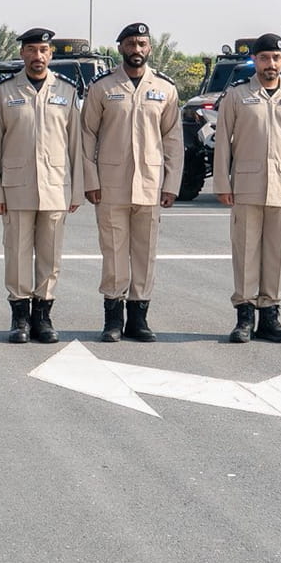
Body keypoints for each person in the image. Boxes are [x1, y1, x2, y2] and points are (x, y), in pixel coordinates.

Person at [80, 22, 183, 343]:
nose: (136, 50)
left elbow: (173, 139)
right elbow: (87, 135)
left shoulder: (165, 88)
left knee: (145, 252)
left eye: (141, 44)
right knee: (113, 252)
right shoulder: (102, 87)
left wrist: (171, 184)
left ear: (149, 48)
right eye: (130, 44)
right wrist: (90, 179)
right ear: (120, 48)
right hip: (110, 184)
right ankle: (113, 319)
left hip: (150, 184)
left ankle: (139, 319)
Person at [210, 33, 281, 344]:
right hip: (247, 185)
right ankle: (244, 316)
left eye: (276, 58)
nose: (271, 64)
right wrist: (222, 183)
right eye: (265, 58)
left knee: (276, 253)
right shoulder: (237, 95)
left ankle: (270, 315)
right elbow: (222, 143)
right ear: (254, 60)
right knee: (245, 251)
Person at [0, 27, 81, 344]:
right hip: (16, 187)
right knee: (17, 254)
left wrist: (77, 190)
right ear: (22, 54)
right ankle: (20, 318)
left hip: (56, 186)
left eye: (43, 50)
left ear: (50, 54)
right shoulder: (5, 91)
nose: (37, 56)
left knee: (50, 256)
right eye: (31, 50)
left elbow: (76, 144)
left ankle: (43, 316)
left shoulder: (66, 91)